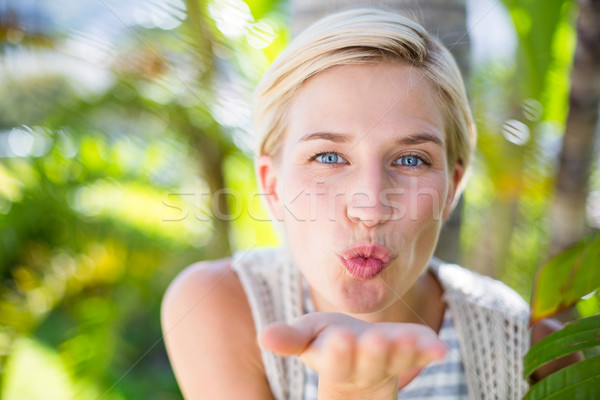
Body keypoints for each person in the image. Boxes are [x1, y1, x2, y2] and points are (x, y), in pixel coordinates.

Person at [161, 8, 575, 400]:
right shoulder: (219, 305)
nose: (371, 208)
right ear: (272, 185)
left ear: (452, 188)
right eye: (328, 157)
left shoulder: (534, 350)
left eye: (411, 160)